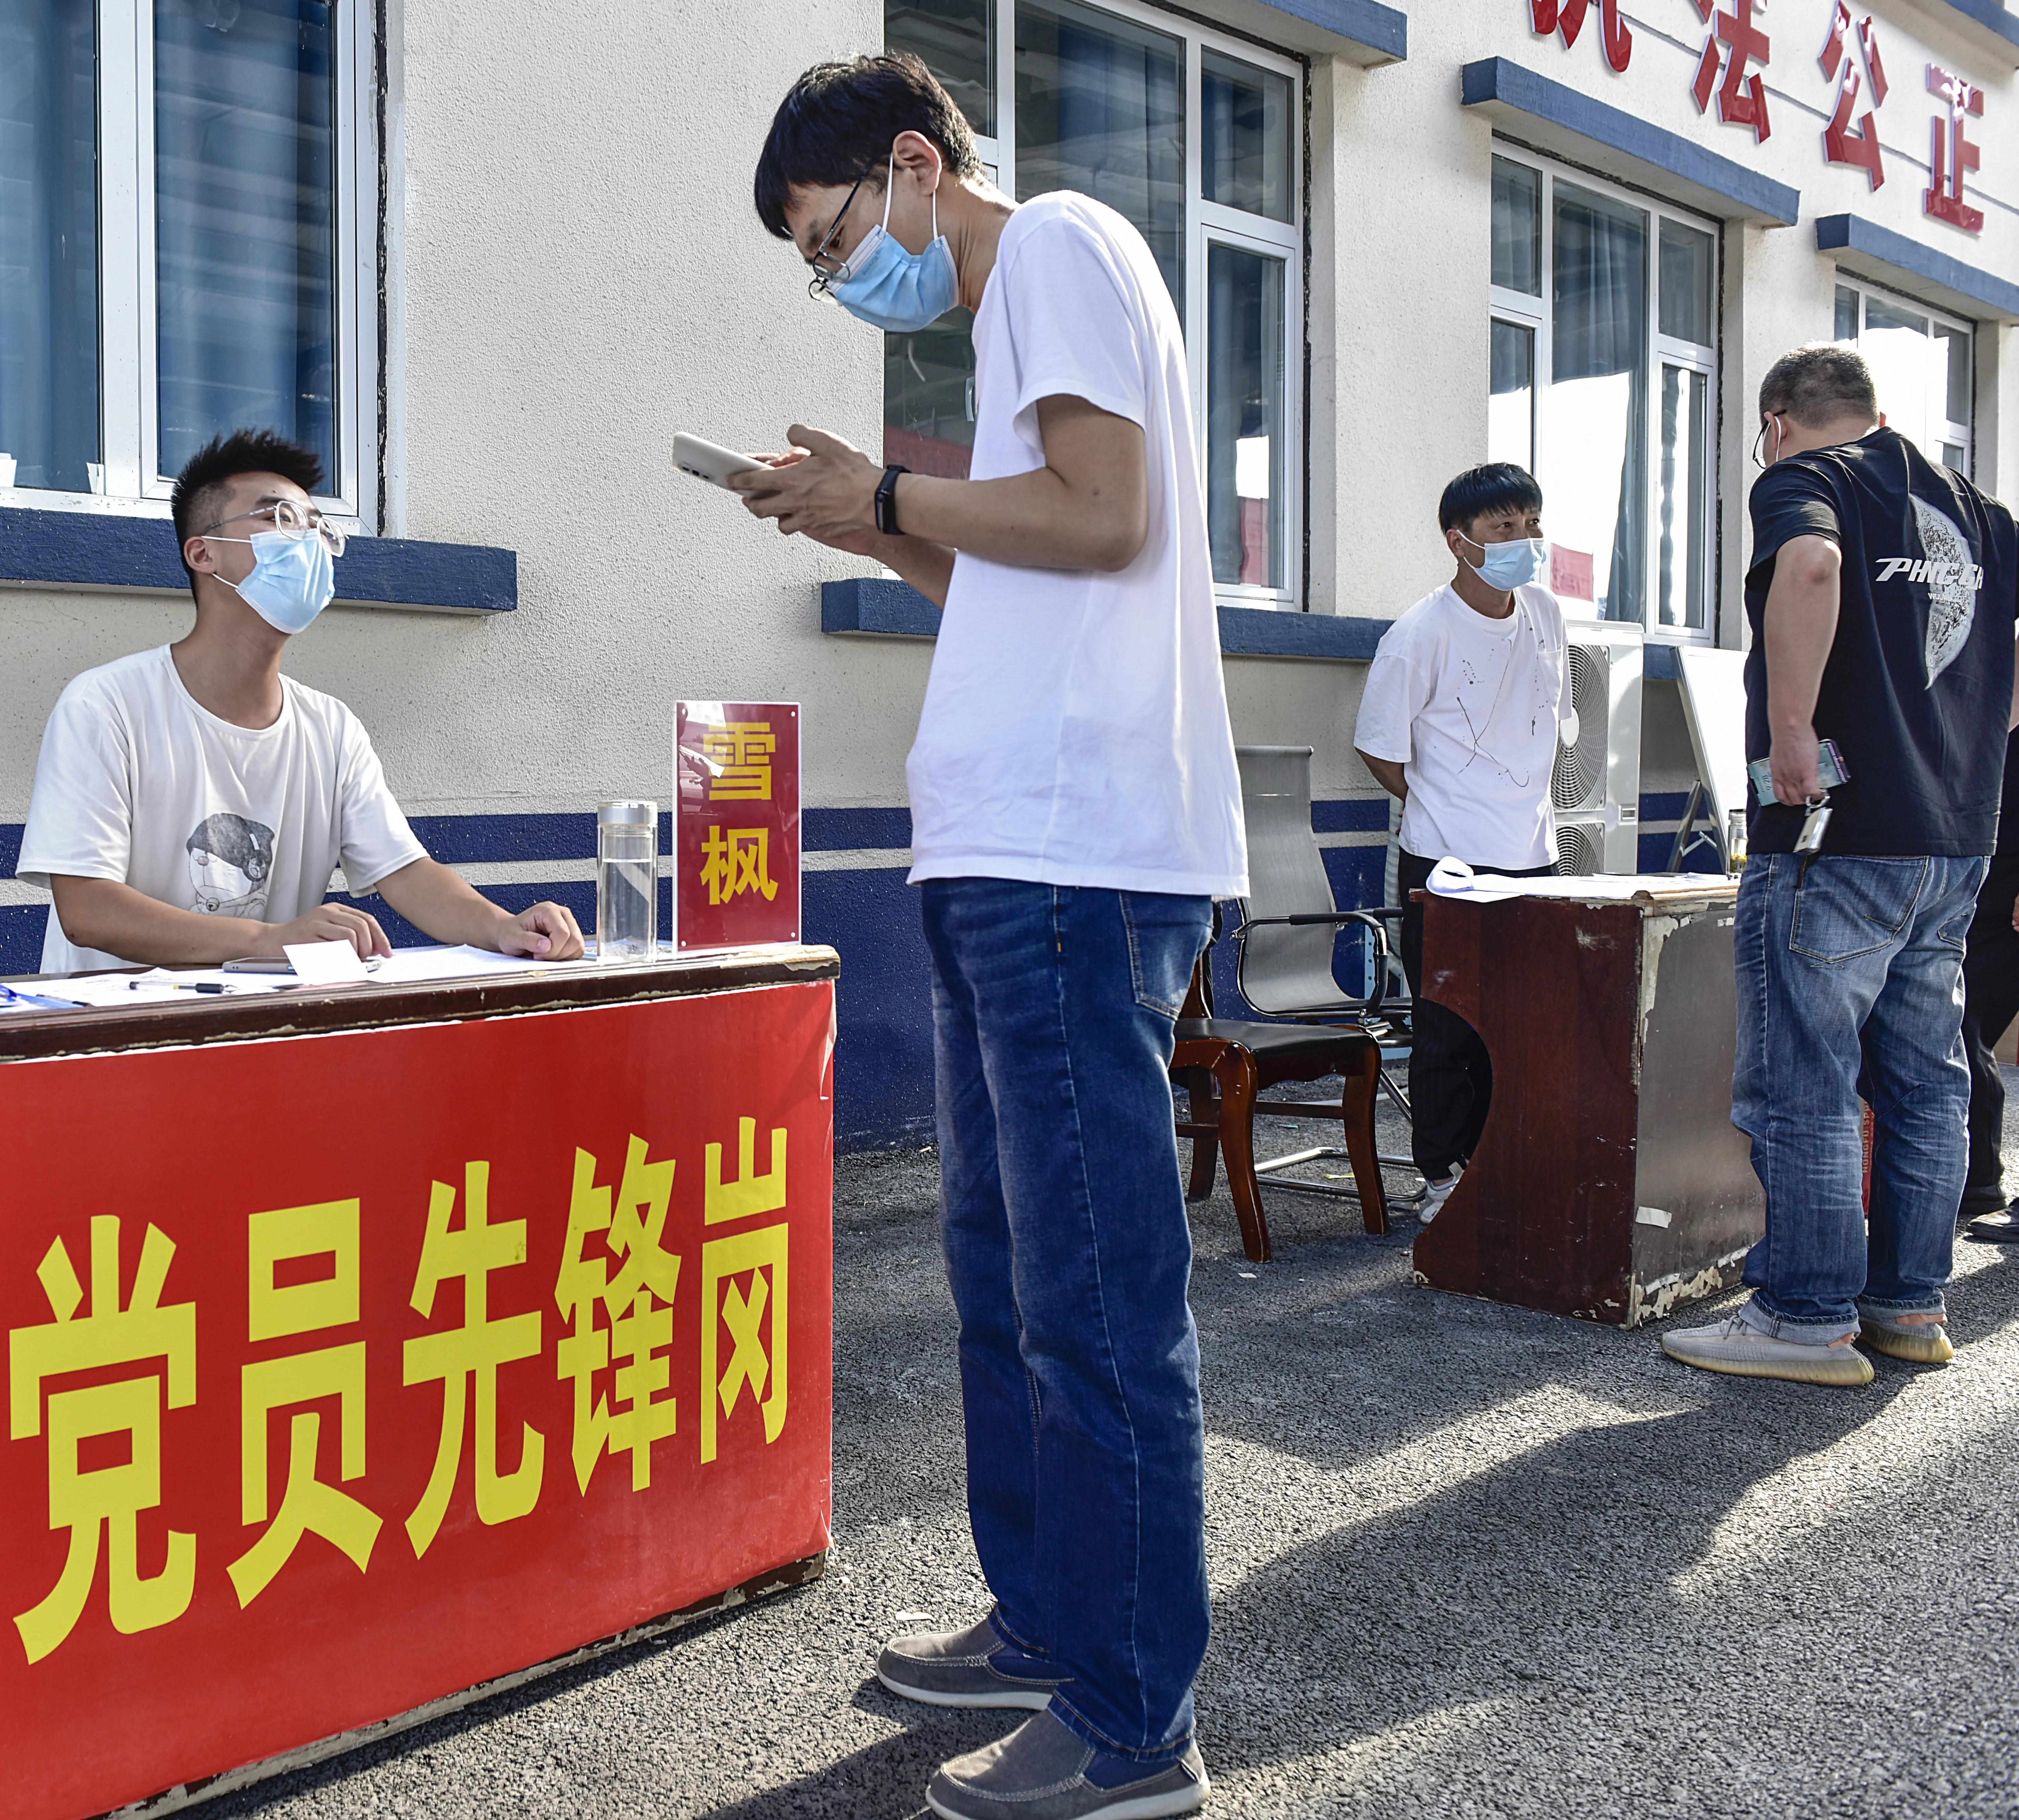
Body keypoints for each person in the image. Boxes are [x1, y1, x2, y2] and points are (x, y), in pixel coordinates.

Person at [739, 53, 1244, 1820]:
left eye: (832, 239)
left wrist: (883, 496)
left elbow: (1107, 521)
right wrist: (866, 516)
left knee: (1093, 1300)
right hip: (1003, 855)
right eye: (816, 269)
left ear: (908, 163)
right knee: (1010, 1283)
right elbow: (1020, 564)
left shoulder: (1055, 253)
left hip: (1071, 857)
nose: (839, 280)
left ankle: (1128, 1719)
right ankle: (1046, 1619)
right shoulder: (1014, 313)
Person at [1664, 344, 2019, 1387]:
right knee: (1925, 1077)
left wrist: (1788, 730)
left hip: (1835, 830)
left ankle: (1805, 1316)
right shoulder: (1978, 511)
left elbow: (1812, 567)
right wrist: (1990, 726)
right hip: (1955, 836)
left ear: (1778, 418)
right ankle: (1908, 1306)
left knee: (1805, 1078)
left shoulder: (1807, 480)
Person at [17, 429, 583, 971]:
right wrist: (271, 939)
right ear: (203, 552)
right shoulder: (106, 705)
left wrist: (504, 926)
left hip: (263, 1035)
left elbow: (406, 872)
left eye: (317, 525)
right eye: (279, 517)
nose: (306, 540)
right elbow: (88, 910)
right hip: (109, 1045)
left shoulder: (330, 728)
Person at [1353, 463, 1567, 1222]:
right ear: (1459, 541)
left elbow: (1548, 721)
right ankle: (1442, 1175)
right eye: (1503, 528)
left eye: (1530, 523)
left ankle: (1503, 1161)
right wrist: (1442, 804)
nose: (1523, 540)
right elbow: (1378, 747)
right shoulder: (1418, 634)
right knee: (1448, 1028)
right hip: (1447, 862)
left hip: (1534, 857)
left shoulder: (1545, 612)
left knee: (1524, 1029)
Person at [1957, 723, 2019, 1244]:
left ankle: (1980, 1176)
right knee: (1959, 1018)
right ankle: (1977, 1174)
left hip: (2018, 860)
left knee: (1963, 1015)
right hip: (1985, 842)